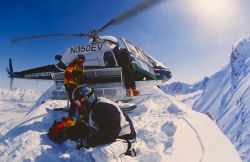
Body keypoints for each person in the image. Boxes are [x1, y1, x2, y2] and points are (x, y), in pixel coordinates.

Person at [72, 84, 137, 161]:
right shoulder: (91, 107)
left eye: (78, 102)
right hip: (114, 136)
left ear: (86, 98)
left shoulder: (103, 108)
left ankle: (125, 155)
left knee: (100, 153)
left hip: (124, 138)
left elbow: (111, 134)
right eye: (76, 103)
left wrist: (90, 141)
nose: (78, 105)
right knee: (95, 151)